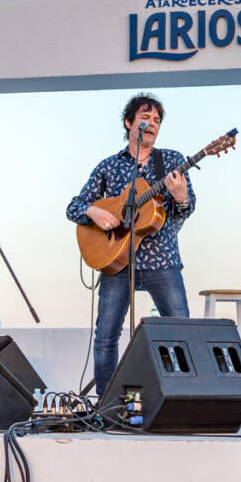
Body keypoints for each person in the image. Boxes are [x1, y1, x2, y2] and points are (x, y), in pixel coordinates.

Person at [67, 93, 195, 396]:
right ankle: (107, 404)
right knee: (105, 337)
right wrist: (94, 212)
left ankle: (185, 398)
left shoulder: (172, 161)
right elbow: (74, 206)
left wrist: (180, 197)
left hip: (162, 260)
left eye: (156, 121)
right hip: (116, 262)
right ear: (129, 122)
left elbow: (186, 209)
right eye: (145, 118)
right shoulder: (109, 167)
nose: (151, 124)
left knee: (183, 333)